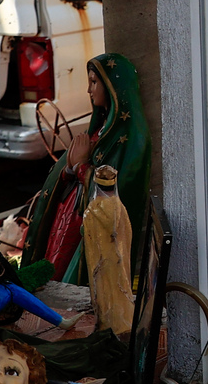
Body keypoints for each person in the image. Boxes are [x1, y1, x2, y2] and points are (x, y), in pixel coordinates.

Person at [21, 54, 151, 282]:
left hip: (86, 225)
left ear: (112, 86)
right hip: (69, 215)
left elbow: (115, 193)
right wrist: (69, 170)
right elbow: (74, 169)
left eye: (94, 82)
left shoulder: (130, 138)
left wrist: (81, 166)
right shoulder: (100, 128)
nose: (88, 90)